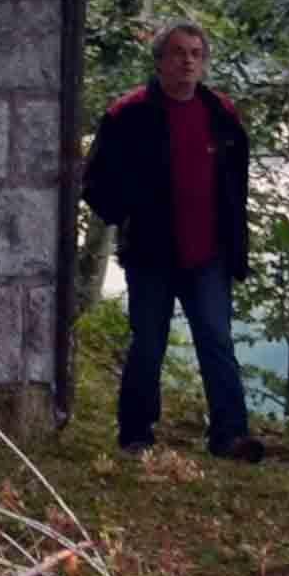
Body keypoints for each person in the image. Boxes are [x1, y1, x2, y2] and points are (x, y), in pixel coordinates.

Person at [79, 24, 267, 461]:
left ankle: (231, 436)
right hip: (151, 253)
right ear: (160, 60)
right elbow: (95, 181)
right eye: (179, 53)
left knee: (217, 341)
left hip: (208, 255)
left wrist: (236, 248)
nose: (188, 61)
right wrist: (126, 213)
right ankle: (136, 434)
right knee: (148, 343)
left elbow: (236, 187)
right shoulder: (129, 113)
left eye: (196, 54)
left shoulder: (222, 114)